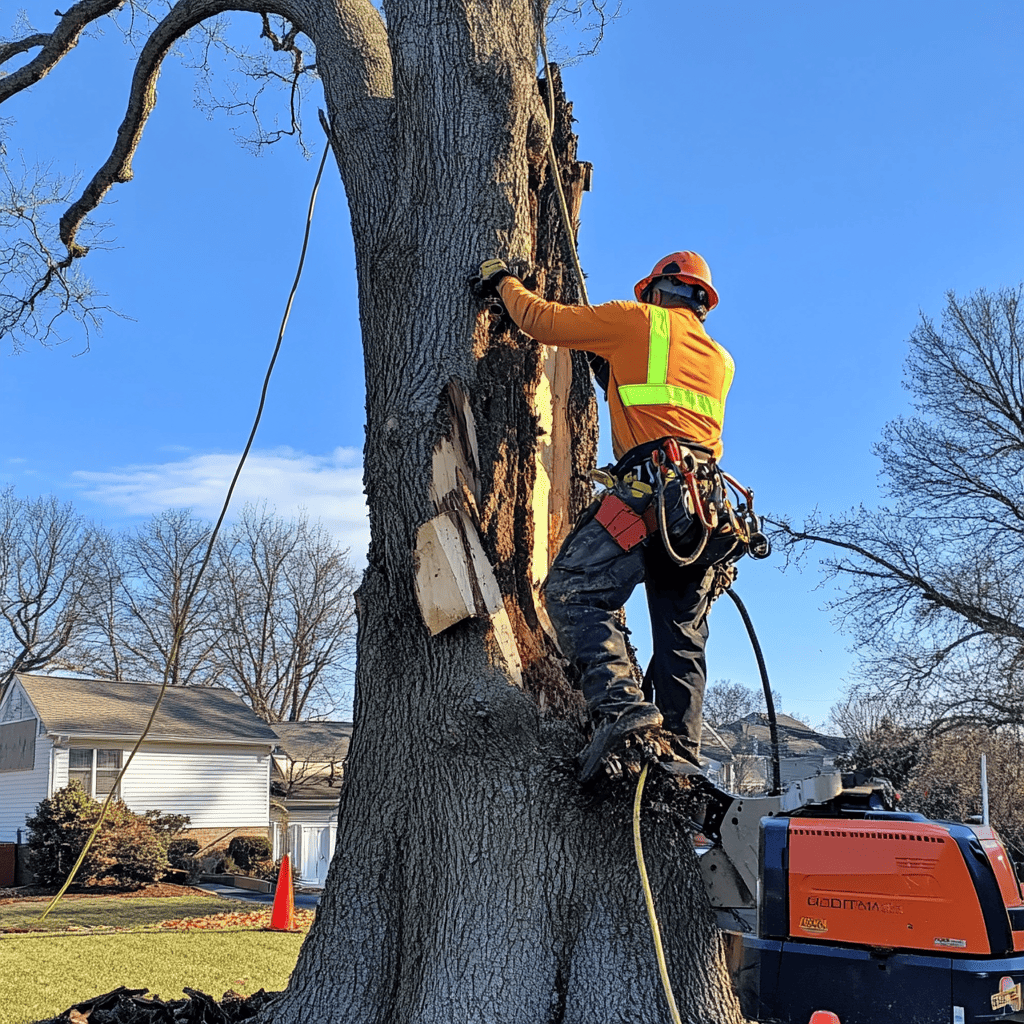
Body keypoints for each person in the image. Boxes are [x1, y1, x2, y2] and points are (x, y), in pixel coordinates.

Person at [475, 251, 767, 782]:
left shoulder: (635, 320)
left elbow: (541, 320)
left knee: (573, 590)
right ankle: (679, 760)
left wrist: (504, 282)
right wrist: (611, 371)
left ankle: (622, 706)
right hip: (705, 512)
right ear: (703, 303)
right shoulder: (721, 360)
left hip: (651, 495)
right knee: (682, 639)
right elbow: (664, 400)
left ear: (655, 290)